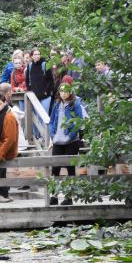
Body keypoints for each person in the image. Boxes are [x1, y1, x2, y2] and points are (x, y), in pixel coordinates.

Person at [48, 77, 84, 205]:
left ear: (70, 92)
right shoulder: (57, 104)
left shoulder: (75, 104)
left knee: (70, 169)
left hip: (71, 141)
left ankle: (69, 197)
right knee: (55, 169)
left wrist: (70, 136)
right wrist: (52, 134)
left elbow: (79, 121)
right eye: (61, 91)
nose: (63, 93)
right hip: (57, 140)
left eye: (66, 91)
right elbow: (51, 121)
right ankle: (54, 195)